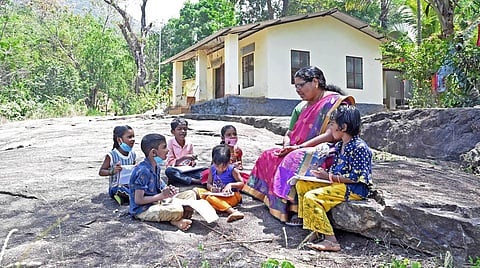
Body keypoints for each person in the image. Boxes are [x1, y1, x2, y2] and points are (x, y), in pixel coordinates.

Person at [242, 66, 355, 224]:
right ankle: (272, 200)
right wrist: (288, 143)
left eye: (301, 85)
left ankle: (295, 210)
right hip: (298, 147)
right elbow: (291, 132)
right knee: (269, 155)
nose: (297, 89)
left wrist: (298, 148)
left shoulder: (335, 102)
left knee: (295, 160)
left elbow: (331, 135)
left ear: (315, 82)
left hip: (325, 150)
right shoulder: (304, 105)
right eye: (295, 86)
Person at [297, 105, 373, 251]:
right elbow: (336, 170)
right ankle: (316, 227)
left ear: (343, 127)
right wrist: (322, 175)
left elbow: (356, 177)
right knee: (302, 185)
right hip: (338, 184)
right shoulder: (339, 146)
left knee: (312, 198)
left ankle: (331, 240)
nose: (330, 129)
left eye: (332, 125)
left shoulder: (360, 148)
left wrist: (330, 177)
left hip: (353, 189)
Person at [129, 133, 196, 231]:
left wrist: (169, 190)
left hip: (160, 201)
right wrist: (162, 196)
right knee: (178, 210)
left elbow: (161, 186)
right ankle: (177, 218)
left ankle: (177, 219)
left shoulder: (156, 166)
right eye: (164, 147)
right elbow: (139, 200)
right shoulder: (143, 171)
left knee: (190, 194)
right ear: (153, 152)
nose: (168, 150)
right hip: (144, 209)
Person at [194, 144, 245, 222]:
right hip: (217, 195)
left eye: (224, 166)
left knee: (210, 198)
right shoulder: (212, 169)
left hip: (232, 196)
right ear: (213, 162)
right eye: (218, 166)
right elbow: (208, 184)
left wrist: (230, 185)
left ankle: (233, 212)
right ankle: (219, 207)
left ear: (229, 162)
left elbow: (242, 184)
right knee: (196, 190)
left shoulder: (232, 170)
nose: (220, 169)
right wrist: (212, 188)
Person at [98, 125, 136, 205]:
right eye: (129, 137)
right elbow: (101, 172)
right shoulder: (112, 155)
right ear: (119, 139)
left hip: (129, 184)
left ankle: (128, 197)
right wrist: (112, 171)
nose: (133, 139)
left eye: (133, 136)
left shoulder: (133, 154)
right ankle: (134, 198)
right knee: (118, 189)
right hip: (116, 186)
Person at [165, 117, 205, 185]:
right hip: (176, 170)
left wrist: (192, 162)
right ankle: (193, 181)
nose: (183, 131)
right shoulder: (170, 143)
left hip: (187, 171)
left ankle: (183, 179)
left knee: (206, 170)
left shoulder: (189, 144)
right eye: (179, 129)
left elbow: (191, 161)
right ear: (173, 132)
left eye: (185, 129)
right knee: (169, 171)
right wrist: (185, 157)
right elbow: (170, 163)